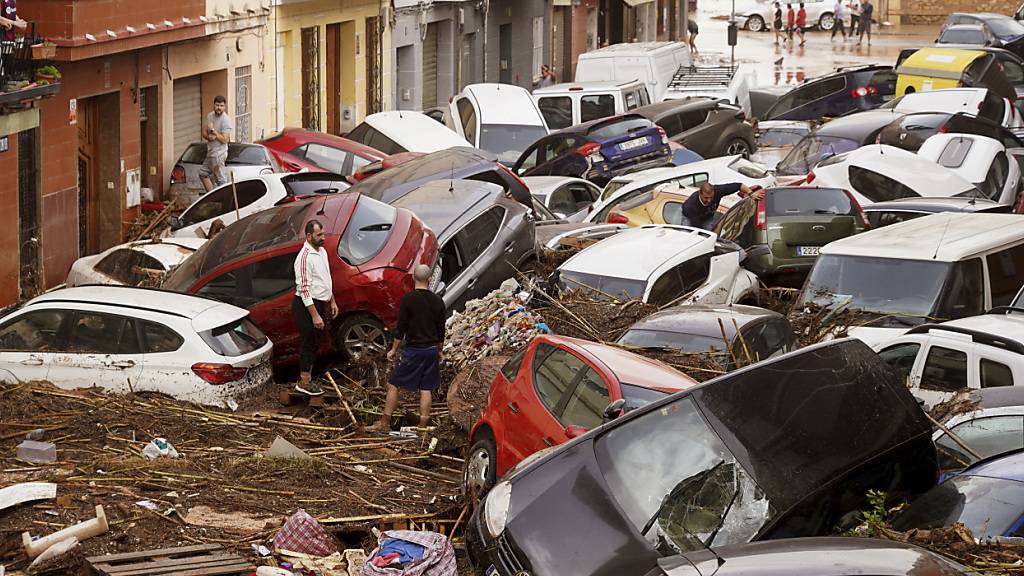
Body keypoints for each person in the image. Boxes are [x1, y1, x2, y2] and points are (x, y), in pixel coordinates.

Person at [367, 265, 446, 432]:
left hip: (414, 351)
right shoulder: (438, 301)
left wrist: (393, 350)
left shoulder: (408, 300)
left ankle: (385, 422)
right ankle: (423, 425)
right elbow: (441, 330)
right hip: (431, 350)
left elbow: (400, 329)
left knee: (394, 384)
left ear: (413, 279)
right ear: (430, 279)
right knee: (426, 388)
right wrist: (439, 350)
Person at [292, 219, 338, 396]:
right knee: (309, 342)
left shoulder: (322, 252)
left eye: (323, 234)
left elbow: (325, 279)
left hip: (321, 301)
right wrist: (314, 315)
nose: (323, 238)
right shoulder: (304, 258)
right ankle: (304, 382)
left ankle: (309, 377)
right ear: (309, 235)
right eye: (319, 235)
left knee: (317, 341)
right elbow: (304, 289)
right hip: (307, 305)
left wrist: (332, 300)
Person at [679, 182, 764, 230]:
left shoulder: (719, 190)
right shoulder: (690, 206)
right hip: (690, 219)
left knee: (710, 235)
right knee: (690, 236)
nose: (709, 200)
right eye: (706, 198)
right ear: (700, 193)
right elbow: (697, 228)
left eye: (711, 197)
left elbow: (739, 186)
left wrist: (751, 193)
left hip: (707, 216)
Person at [199, 95, 233, 193]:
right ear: (214, 105)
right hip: (210, 152)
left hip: (218, 154)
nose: (219, 108)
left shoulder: (226, 120)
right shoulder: (210, 116)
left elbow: (224, 140)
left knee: (221, 180)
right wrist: (208, 137)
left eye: (221, 106)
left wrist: (213, 131)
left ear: (224, 107)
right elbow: (204, 133)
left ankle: (224, 202)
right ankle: (211, 197)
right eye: (217, 105)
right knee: (202, 173)